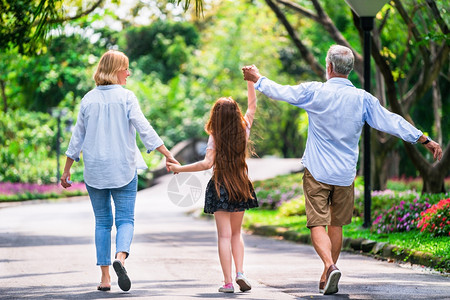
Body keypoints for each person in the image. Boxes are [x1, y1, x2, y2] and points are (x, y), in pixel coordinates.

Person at [242, 45, 442, 295]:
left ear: (329, 67)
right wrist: (423, 138)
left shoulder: (314, 92)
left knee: (317, 223)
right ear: (348, 70)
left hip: (317, 171)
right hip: (345, 175)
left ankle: (329, 265)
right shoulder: (362, 99)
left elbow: (282, 92)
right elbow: (392, 121)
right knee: (336, 225)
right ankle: (328, 275)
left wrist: (257, 79)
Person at [60, 50, 178, 292]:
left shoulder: (88, 99)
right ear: (115, 71)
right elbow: (144, 128)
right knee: (125, 219)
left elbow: (77, 137)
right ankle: (120, 258)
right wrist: (167, 153)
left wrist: (66, 170)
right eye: (125, 68)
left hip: (95, 171)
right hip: (124, 167)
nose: (128, 72)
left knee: (102, 222)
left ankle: (105, 279)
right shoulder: (126, 97)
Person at [167, 81, 259, 293]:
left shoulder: (215, 135)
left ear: (215, 116)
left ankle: (227, 283)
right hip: (241, 185)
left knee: (224, 236)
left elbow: (207, 164)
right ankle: (240, 273)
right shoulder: (244, 128)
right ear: (236, 113)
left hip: (220, 185)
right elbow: (252, 106)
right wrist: (250, 81)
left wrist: (180, 169)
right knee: (237, 234)